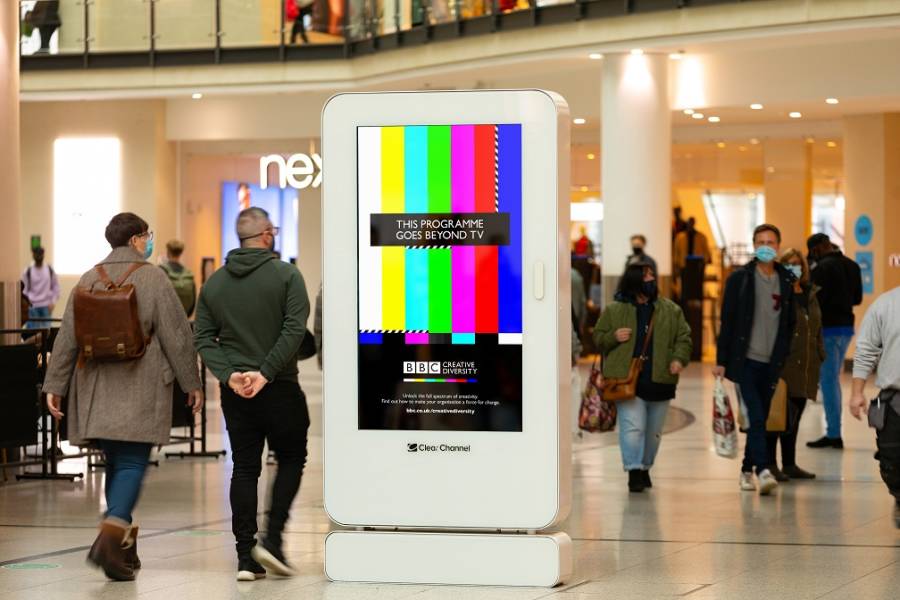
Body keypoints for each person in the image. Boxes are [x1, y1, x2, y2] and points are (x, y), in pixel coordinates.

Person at [42, 213, 202, 581]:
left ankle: (122, 551)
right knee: (131, 463)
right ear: (134, 240)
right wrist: (191, 382)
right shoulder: (152, 277)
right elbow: (176, 335)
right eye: (146, 235)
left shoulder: (88, 278)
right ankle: (109, 538)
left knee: (116, 463)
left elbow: (66, 337)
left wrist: (55, 385)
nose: (149, 241)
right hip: (139, 385)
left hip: (96, 388)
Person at [194, 207, 311, 582]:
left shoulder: (213, 284)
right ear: (266, 235)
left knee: (245, 467)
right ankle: (272, 540)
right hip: (280, 387)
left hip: (237, 394)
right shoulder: (287, 276)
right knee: (291, 456)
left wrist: (229, 376)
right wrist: (266, 372)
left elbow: (202, 338)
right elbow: (294, 331)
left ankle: (246, 557)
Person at [594, 263, 692, 492]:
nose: (650, 279)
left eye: (652, 275)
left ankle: (646, 467)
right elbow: (598, 337)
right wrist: (613, 336)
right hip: (626, 380)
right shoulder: (615, 309)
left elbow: (684, 338)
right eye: (645, 275)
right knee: (633, 427)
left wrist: (679, 359)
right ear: (634, 280)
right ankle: (634, 471)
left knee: (654, 432)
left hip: (660, 379)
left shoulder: (670, 310)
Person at [714, 224, 796, 496]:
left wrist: (785, 355)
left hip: (771, 362)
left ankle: (746, 470)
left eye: (770, 241)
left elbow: (789, 322)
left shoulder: (785, 280)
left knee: (757, 419)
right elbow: (727, 321)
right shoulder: (740, 279)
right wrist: (721, 359)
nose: (765, 245)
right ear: (753, 245)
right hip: (745, 360)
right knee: (757, 417)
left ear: (778, 246)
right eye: (760, 241)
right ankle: (762, 469)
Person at [765, 248, 824, 481]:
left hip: (807, 366)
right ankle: (770, 464)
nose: (794, 269)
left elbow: (817, 326)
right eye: (789, 264)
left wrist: (820, 352)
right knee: (777, 416)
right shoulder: (777, 293)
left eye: (798, 264)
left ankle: (789, 463)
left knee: (795, 417)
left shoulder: (810, 293)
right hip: (784, 365)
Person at [806, 233, 863, 449]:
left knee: (828, 382)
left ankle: (833, 434)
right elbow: (857, 299)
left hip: (827, 329)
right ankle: (833, 431)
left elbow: (816, 300)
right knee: (832, 379)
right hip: (846, 328)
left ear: (817, 249)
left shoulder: (821, 269)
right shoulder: (852, 265)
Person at [849, 285, 900, 528]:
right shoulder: (886, 304)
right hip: (894, 398)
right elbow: (866, 348)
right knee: (891, 460)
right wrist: (857, 392)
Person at [21, 246, 60, 329]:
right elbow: (24, 290)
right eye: (36, 254)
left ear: (43, 255)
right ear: (33, 255)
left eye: (40, 254)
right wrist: (27, 305)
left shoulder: (49, 270)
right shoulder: (28, 271)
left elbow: (56, 287)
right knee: (33, 334)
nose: (38, 256)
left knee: (46, 334)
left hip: (46, 307)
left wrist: (52, 302)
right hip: (32, 308)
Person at [160, 240, 197, 317]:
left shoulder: (162, 271)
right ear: (180, 253)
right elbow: (193, 302)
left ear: (168, 252)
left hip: (167, 318)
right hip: (184, 317)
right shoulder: (188, 274)